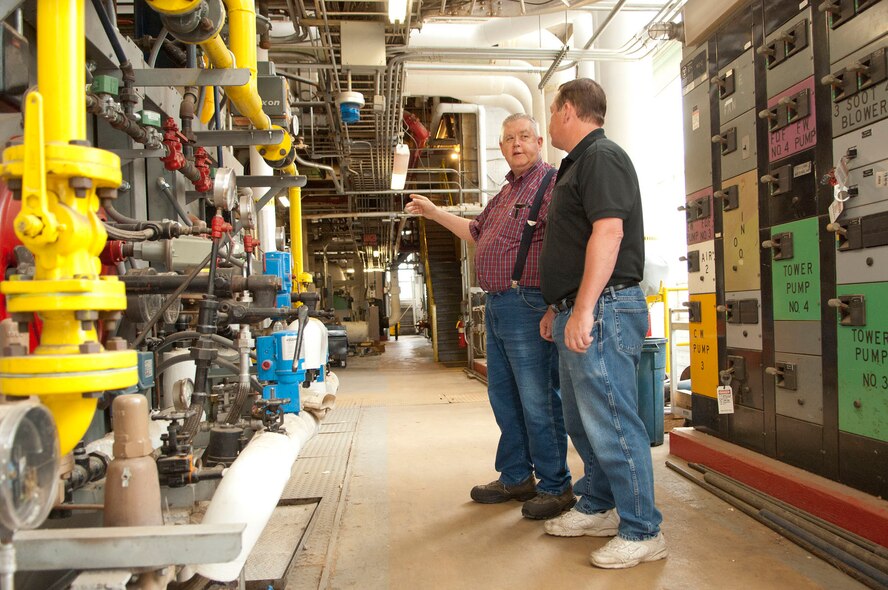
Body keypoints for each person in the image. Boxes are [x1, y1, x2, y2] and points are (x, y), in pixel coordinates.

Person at [405, 113, 574, 520]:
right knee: (503, 397)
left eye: (524, 137)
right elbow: (474, 232)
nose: (516, 144)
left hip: (528, 304)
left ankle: (556, 485)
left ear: (538, 141)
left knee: (537, 399)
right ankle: (517, 475)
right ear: (500, 148)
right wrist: (433, 212)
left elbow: (565, 245)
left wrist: (556, 304)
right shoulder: (504, 195)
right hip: (498, 305)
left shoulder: (551, 185)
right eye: (508, 139)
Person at [539, 79, 666, 568]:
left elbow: (609, 233)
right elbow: (573, 245)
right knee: (581, 419)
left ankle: (643, 529)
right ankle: (599, 502)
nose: (551, 120)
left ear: (568, 110)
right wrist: (560, 306)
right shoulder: (576, 165)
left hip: (607, 306)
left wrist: (586, 308)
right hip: (583, 305)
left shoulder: (602, 157)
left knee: (613, 419)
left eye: (552, 111)